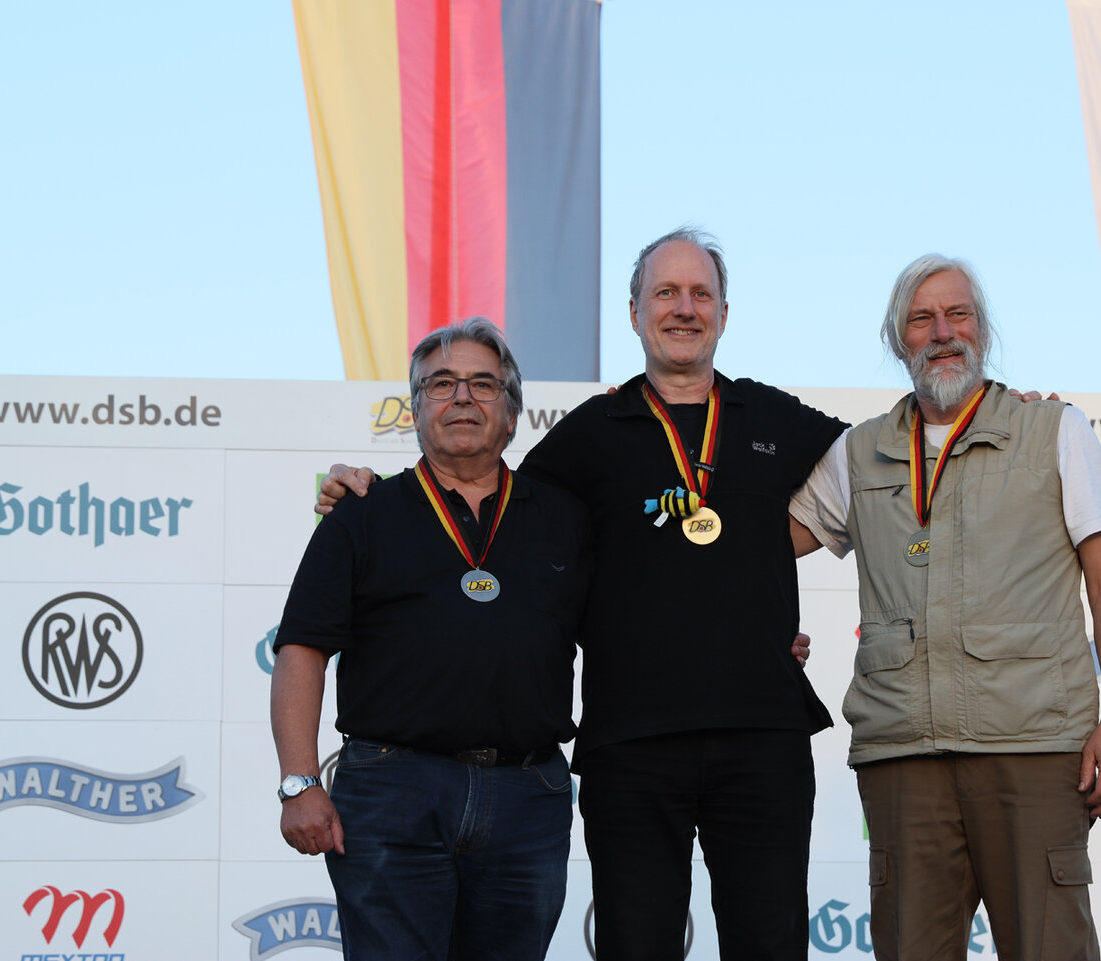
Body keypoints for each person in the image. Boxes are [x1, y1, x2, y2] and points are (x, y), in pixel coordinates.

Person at [318, 228, 846, 961]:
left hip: (762, 735)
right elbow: (485, 508)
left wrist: (758, 585)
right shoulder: (590, 432)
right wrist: (364, 488)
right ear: (634, 312)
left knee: (771, 943)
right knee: (636, 946)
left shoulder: (774, 417)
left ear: (725, 313)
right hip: (630, 745)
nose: (684, 308)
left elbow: (884, 472)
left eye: (701, 294)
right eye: (665, 292)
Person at [789, 254, 1101, 961]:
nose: (943, 332)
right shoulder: (859, 452)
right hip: (904, 756)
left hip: (1035, 749)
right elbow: (757, 552)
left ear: (983, 329)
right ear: (899, 340)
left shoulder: (1054, 430)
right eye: (922, 319)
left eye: (959, 315)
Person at [271, 318, 591, 961]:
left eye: (483, 384)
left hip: (527, 794)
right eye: (441, 384)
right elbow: (301, 649)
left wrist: (762, 638)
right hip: (392, 790)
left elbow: (636, 624)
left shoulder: (566, 518)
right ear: (415, 412)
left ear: (512, 413)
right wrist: (299, 782)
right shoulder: (362, 512)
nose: (462, 397)